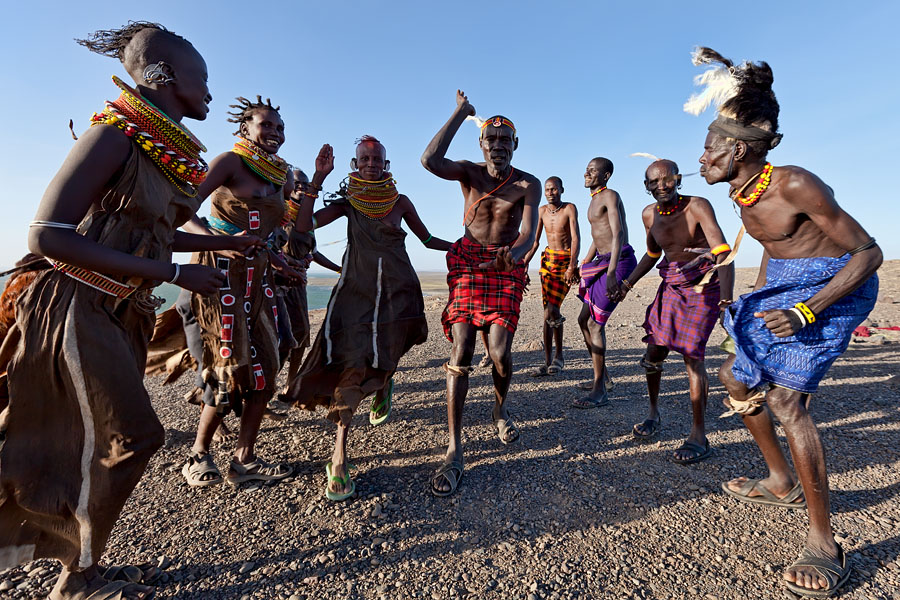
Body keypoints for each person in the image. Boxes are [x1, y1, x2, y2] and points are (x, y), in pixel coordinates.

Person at [0, 22, 260, 600]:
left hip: (117, 307)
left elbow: (146, 236)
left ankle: (81, 569)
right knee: (134, 436)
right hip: (71, 303)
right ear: (164, 76)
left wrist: (224, 246)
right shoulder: (112, 134)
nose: (212, 90)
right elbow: (47, 235)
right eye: (203, 77)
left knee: (97, 440)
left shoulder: (152, 147)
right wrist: (175, 275)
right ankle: (73, 578)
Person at [689, 47, 881, 596]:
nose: (700, 159)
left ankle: (824, 543)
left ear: (739, 149)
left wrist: (802, 311)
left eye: (709, 150)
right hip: (787, 285)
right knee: (735, 376)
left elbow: (868, 254)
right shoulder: (742, 192)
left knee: (785, 401)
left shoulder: (796, 183)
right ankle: (780, 482)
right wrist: (757, 298)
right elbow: (777, 245)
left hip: (835, 288)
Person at [179, 96, 335, 488]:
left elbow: (292, 227)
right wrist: (213, 241)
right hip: (219, 280)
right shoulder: (229, 162)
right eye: (267, 125)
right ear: (245, 128)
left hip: (261, 281)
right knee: (224, 366)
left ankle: (244, 458)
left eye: (280, 128)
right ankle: (199, 453)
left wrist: (316, 181)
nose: (275, 134)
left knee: (265, 367)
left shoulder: (280, 175)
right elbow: (183, 206)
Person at [285, 136, 451, 501]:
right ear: (355, 164)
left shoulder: (400, 202)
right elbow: (303, 228)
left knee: (390, 347)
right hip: (355, 296)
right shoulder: (349, 203)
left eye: (377, 160)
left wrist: (463, 247)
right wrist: (317, 179)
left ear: (386, 165)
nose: (372, 164)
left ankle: (384, 379)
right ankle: (339, 458)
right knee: (352, 364)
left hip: (397, 291)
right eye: (365, 159)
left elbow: (427, 240)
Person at [421, 91, 540, 496]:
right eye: (491, 140)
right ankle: (454, 448)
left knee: (500, 354)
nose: (498, 147)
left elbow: (528, 234)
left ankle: (499, 408)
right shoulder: (469, 173)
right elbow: (429, 161)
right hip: (469, 262)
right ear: (482, 144)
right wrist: (461, 112)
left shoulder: (528, 183)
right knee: (462, 349)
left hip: (505, 267)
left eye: (506, 141)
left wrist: (515, 257)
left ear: (515, 145)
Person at [617, 158, 734, 463]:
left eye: (667, 179)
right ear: (646, 187)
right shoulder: (648, 215)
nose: (661, 186)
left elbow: (723, 252)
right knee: (654, 352)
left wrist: (725, 301)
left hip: (702, 287)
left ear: (678, 179)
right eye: (653, 182)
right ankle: (654, 414)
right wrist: (626, 284)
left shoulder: (698, 206)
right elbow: (653, 254)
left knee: (692, 358)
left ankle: (699, 434)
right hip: (671, 285)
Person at [574, 158, 636, 408]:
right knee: (582, 320)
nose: (587, 173)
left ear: (606, 175)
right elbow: (597, 235)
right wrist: (584, 264)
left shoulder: (610, 195)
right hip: (601, 261)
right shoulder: (593, 200)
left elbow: (617, 232)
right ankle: (604, 378)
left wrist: (611, 274)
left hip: (618, 261)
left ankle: (600, 389)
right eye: (586, 169)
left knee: (594, 323)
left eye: (593, 170)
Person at [278, 168, 341, 389]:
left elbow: (312, 253)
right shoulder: (278, 212)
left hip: (298, 283)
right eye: (298, 184)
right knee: (276, 335)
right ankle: (263, 386)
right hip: (277, 281)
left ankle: (291, 381)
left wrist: (339, 270)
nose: (302, 188)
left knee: (301, 332)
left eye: (306, 184)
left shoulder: (308, 221)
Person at [522, 176, 580, 377]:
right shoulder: (541, 212)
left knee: (553, 309)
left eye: (554, 189)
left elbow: (575, 238)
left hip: (564, 263)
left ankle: (560, 356)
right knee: (547, 312)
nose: (550, 193)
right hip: (547, 263)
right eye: (547, 190)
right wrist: (525, 262)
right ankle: (548, 361)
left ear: (561, 190)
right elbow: (535, 241)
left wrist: (573, 265)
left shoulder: (569, 209)